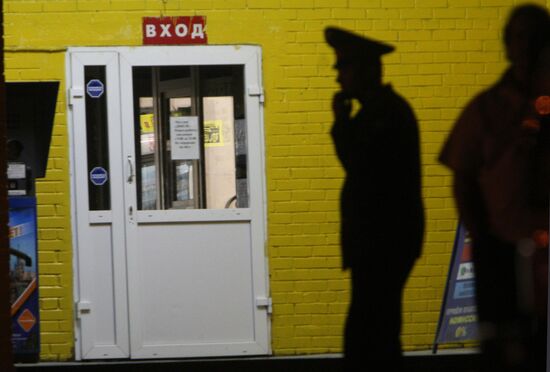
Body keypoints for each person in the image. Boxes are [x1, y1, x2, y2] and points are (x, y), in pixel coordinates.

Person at [439, 5, 550, 371]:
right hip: (501, 251)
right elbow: (463, 178)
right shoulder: (486, 110)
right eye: (521, 37)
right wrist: (483, 238)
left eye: (538, 37)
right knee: (505, 349)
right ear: (507, 46)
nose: (529, 47)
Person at [325, 27, 424, 371]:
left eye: (343, 67)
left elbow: (360, 166)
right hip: (379, 242)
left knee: (369, 334)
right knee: (375, 331)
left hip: (382, 242)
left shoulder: (385, 115)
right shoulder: (381, 112)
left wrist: (340, 123)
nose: (337, 76)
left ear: (365, 69)